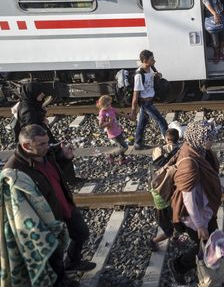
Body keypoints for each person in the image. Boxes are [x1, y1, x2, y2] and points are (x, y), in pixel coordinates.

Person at [3, 125, 96, 283]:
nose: (48, 146)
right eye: (42, 144)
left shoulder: (46, 153)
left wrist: (66, 158)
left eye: (47, 142)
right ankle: (60, 281)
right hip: (48, 218)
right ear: (26, 146)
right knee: (54, 252)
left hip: (65, 204)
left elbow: (57, 168)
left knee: (81, 233)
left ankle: (73, 262)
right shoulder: (14, 170)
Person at [168, 121, 222, 284]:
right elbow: (188, 198)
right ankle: (178, 266)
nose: (212, 141)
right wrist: (200, 225)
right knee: (207, 246)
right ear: (199, 139)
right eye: (209, 139)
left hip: (205, 210)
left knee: (211, 241)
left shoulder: (196, 150)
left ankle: (192, 263)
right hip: (194, 216)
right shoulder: (190, 164)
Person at [149, 128, 180, 252]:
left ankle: (173, 238)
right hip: (174, 191)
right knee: (178, 219)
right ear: (178, 139)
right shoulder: (180, 151)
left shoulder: (157, 150)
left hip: (159, 192)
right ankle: (154, 241)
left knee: (169, 221)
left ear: (166, 139)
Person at [130, 50, 168, 150]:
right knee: (161, 121)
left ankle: (138, 143)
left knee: (142, 123)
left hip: (150, 101)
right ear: (145, 61)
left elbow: (152, 77)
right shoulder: (139, 75)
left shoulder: (150, 69)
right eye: (152, 59)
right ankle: (169, 142)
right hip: (145, 103)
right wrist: (133, 112)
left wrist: (157, 75)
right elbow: (135, 94)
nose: (154, 61)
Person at [96, 95, 129, 165]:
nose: (110, 105)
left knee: (121, 145)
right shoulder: (102, 113)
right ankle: (111, 155)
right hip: (113, 134)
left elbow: (118, 112)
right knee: (124, 147)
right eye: (107, 105)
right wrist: (109, 122)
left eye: (110, 103)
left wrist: (129, 116)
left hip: (118, 130)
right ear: (102, 106)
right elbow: (100, 125)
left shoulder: (110, 108)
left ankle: (122, 159)